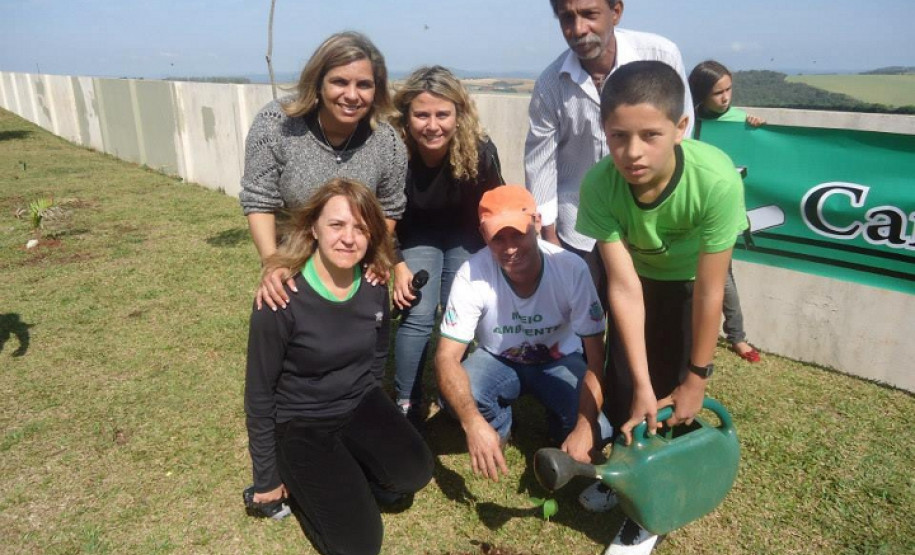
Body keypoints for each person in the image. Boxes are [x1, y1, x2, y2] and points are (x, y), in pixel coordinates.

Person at [570, 61, 748, 554]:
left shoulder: (715, 181)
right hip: (639, 282)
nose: (632, 152)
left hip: (691, 284)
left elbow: (713, 290)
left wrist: (696, 377)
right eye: (618, 136)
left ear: (681, 127)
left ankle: (653, 511)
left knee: (676, 399)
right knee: (629, 384)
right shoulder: (600, 186)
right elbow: (623, 287)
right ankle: (624, 473)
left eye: (650, 135)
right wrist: (642, 385)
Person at [244, 178, 433, 555]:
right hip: (302, 422)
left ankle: (349, 464)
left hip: (358, 402)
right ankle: (303, 480)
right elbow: (260, 394)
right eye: (337, 225)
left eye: (361, 228)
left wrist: (376, 413)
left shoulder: (375, 281)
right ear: (313, 227)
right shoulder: (281, 296)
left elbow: (378, 354)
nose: (349, 238)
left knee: (416, 472)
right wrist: (266, 478)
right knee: (360, 545)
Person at [435, 185, 611, 483]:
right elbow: (445, 357)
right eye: (498, 238)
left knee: (600, 430)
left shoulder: (571, 269)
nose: (510, 248)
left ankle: (561, 426)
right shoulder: (471, 272)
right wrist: (473, 422)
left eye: (518, 233)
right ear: (483, 236)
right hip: (497, 358)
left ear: (538, 223)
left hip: (560, 360)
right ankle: (499, 426)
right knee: (455, 396)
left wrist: (584, 423)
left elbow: (597, 358)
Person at [525, 0, 693, 306]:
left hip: (647, 223)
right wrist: (549, 239)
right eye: (566, 18)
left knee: (642, 323)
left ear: (616, 12)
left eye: (589, 14)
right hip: (579, 228)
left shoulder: (661, 55)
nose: (578, 30)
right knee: (580, 324)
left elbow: (682, 137)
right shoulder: (551, 84)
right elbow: (540, 163)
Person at [240, 31, 407, 310]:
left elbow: (390, 207)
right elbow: (259, 200)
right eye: (339, 82)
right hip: (292, 256)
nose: (352, 95)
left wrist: (377, 251)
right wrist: (273, 264)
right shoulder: (276, 125)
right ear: (318, 83)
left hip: (353, 257)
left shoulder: (387, 142)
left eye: (364, 85)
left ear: (377, 89)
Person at [389, 66, 505, 423]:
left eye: (443, 114)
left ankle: (458, 393)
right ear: (406, 117)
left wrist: (500, 259)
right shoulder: (393, 151)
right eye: (421, 114)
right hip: (413, 235)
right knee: (419, 312)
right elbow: (378, 215)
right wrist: (396, 265)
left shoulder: (479, 151)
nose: (432, 125)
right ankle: (406, 402)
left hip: (463, 234)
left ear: (459, 115)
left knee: (459, 312)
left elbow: (494, 207)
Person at [689, 60, 764, 363]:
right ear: (700, 94)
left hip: (723, 211)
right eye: (717, 92)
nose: (725, 97)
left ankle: (737, 336)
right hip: (689, 209)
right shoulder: (687, 122)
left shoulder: (739, 120)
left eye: (728, 89)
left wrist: (757, 128)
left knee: (723, 275)